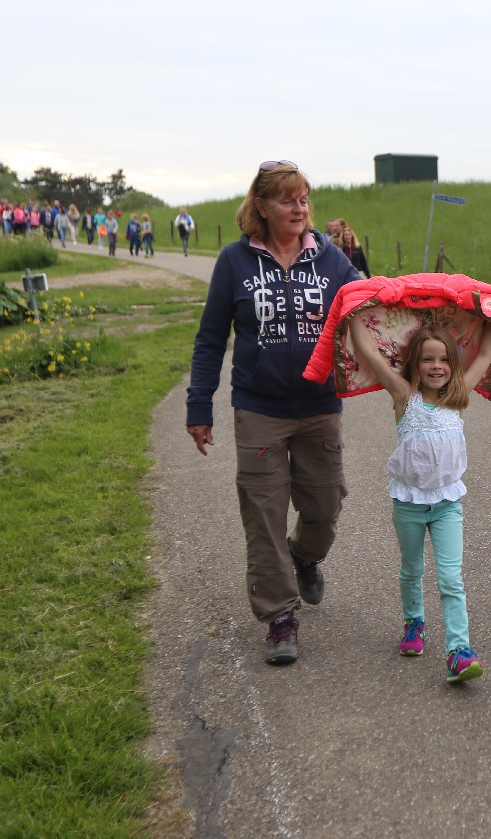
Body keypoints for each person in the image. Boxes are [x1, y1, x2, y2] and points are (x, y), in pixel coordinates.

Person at [185, 160, 362, 665]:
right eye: (287, 200)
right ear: (261, 206)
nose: (299, 208)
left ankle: (303, 556)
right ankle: (280, 617)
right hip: (259, 407)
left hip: (320, 405)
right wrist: (199, 404)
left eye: (304, 199)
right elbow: (210, 339)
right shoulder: (234, 261)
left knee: (324, 507)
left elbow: (369, 305)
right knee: (263, 513)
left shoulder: (330, 259)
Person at [349, 321, 491, 683]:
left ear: (454, 365)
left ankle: (459, 651)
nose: (437, 366)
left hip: (447, 505)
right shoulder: (404, 396)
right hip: (409, 505)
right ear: (414, 363)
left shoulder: (457, 396)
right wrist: (352, 311)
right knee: (412, 568)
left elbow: (486, 354)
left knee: (450, 578)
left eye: (445, 359)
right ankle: (414, 622)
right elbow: (370, 352)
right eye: (428, 359)